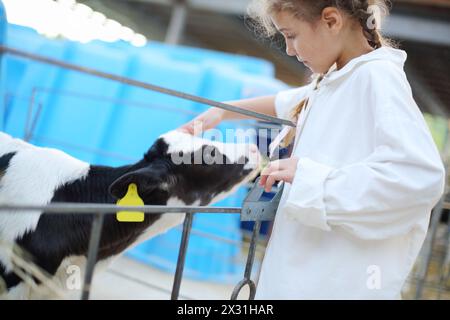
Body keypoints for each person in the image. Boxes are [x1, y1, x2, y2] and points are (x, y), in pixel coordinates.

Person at [178, 0, 446, 299]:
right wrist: (223, 112)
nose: (289, 49)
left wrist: (309, 177)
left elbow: (419, 179)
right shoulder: (337, 79)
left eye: (291, 35)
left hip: (332, 284)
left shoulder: (377, 78)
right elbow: (291, 100)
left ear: (331, 21)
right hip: (302, 273)